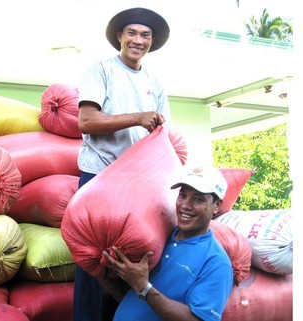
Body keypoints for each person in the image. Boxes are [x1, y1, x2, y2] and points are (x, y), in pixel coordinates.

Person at [73, 7, 173, 321]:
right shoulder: (100, 70)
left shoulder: (154, 82)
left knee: (136, 260)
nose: (138, 40)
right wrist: (137, 118)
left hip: (136, 184)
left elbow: (161, 134)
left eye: (145, 35)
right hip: (99, 177)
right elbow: (86, 121)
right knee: (92, 262)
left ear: (152, 42)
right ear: (119, 36)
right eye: (132, 33)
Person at [100, 165, 234, 321]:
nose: (185, 205)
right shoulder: (158, 235)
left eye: (198, 199)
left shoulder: (216, 262)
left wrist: (144, 287)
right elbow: (134, 295)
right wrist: (102, 271)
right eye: (183, 195)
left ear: (217, 206)